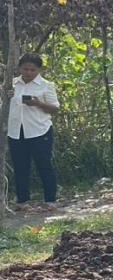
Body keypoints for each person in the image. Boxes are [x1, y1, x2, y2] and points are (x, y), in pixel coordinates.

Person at [6, 53, 60, 210]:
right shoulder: (12, 84)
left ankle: (50, 200)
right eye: (25, 69)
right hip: (16, 131)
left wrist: (37, 103)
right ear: (19, 68)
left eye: (32, 70)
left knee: (44, 165)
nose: (28, 72)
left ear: (39, 70)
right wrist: (7, 96)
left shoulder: (46, 85)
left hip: (40, 130)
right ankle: (22, 201)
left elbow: (55, 108)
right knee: (20, 166)